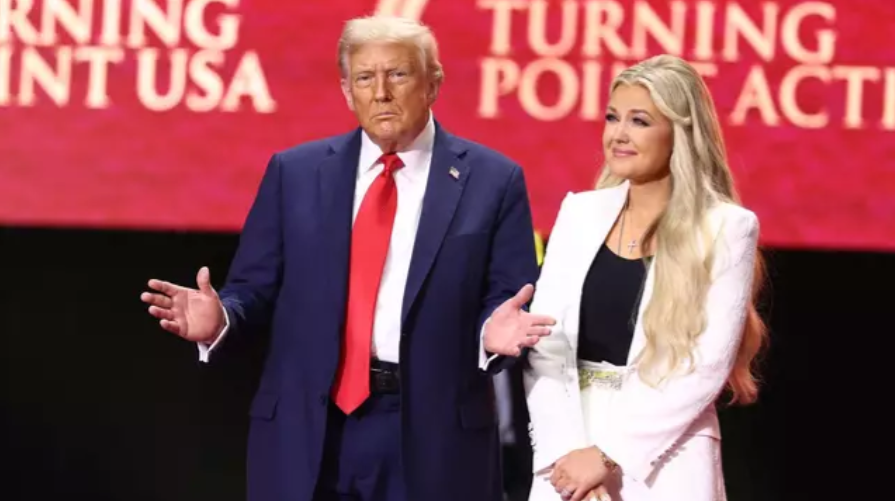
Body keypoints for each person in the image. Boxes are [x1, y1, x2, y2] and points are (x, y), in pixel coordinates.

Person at [140, 15, 556, 501]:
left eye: (398, 74)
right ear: (346, 91)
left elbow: (508, 296)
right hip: (308, 430)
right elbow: (253, 288)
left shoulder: (493, 179)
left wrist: (490, 334)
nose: (381, 92)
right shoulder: (294, 173)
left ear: (433, 83)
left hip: (433, 433)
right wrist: (222, 319)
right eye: (364, 78)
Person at [522, 54, 768, 501]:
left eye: (639, 121)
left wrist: (606, 455)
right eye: (612, 117)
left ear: (680, 133)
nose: (618, 134)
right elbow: (545, 346)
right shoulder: (579, 212)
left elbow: (702, 366)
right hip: (567, 459)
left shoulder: (727, 228)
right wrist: (567, 456)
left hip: (667, 459)